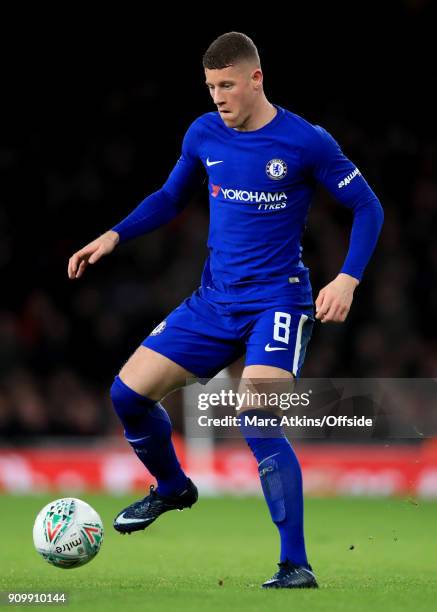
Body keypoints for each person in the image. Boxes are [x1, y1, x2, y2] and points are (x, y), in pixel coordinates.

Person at [68, 32, 383, 589]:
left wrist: (349, 278)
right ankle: (171, 488)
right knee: (126, 395)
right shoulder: (203, 132)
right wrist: (116, 234)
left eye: (227, 84)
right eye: (211, 86)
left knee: (257, 418)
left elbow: (367, 205)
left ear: (256, 79)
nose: (218, 96)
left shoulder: (305, 141)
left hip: (278, 301)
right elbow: (170, 198)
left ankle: (295, 564)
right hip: (213, 302)